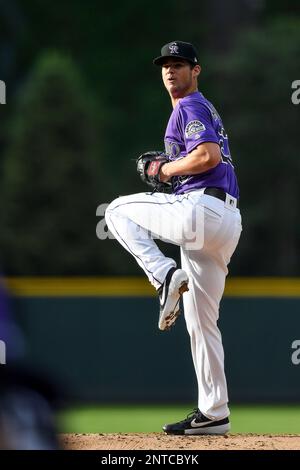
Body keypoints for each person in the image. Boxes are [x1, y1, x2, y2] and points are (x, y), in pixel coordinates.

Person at [105, 41, 242, 435]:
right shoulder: (195, 108)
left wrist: (163, 170)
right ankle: (214, 412)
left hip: (203, 211)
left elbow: (207, 157)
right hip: (225, 220)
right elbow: (202, 162)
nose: (170, 70)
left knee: (116, 211)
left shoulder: (190, 106)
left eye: (179, 64)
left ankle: (164, 275)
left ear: (196, 70)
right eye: (165, 65)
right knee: (201, 322)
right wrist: (172, 172)